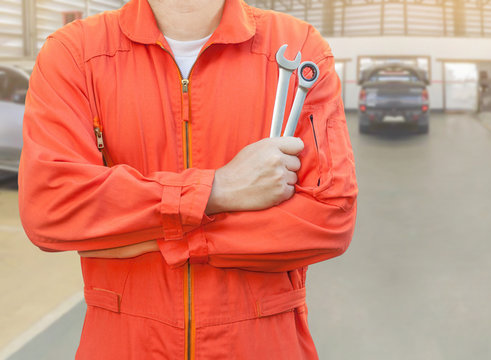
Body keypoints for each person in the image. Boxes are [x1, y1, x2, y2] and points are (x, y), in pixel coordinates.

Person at [18, 0, 358, 358]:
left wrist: (164, 238)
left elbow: (329, 217)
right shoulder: (74, 53)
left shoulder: (299, 45)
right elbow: (50, 208)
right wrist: (219, 189)